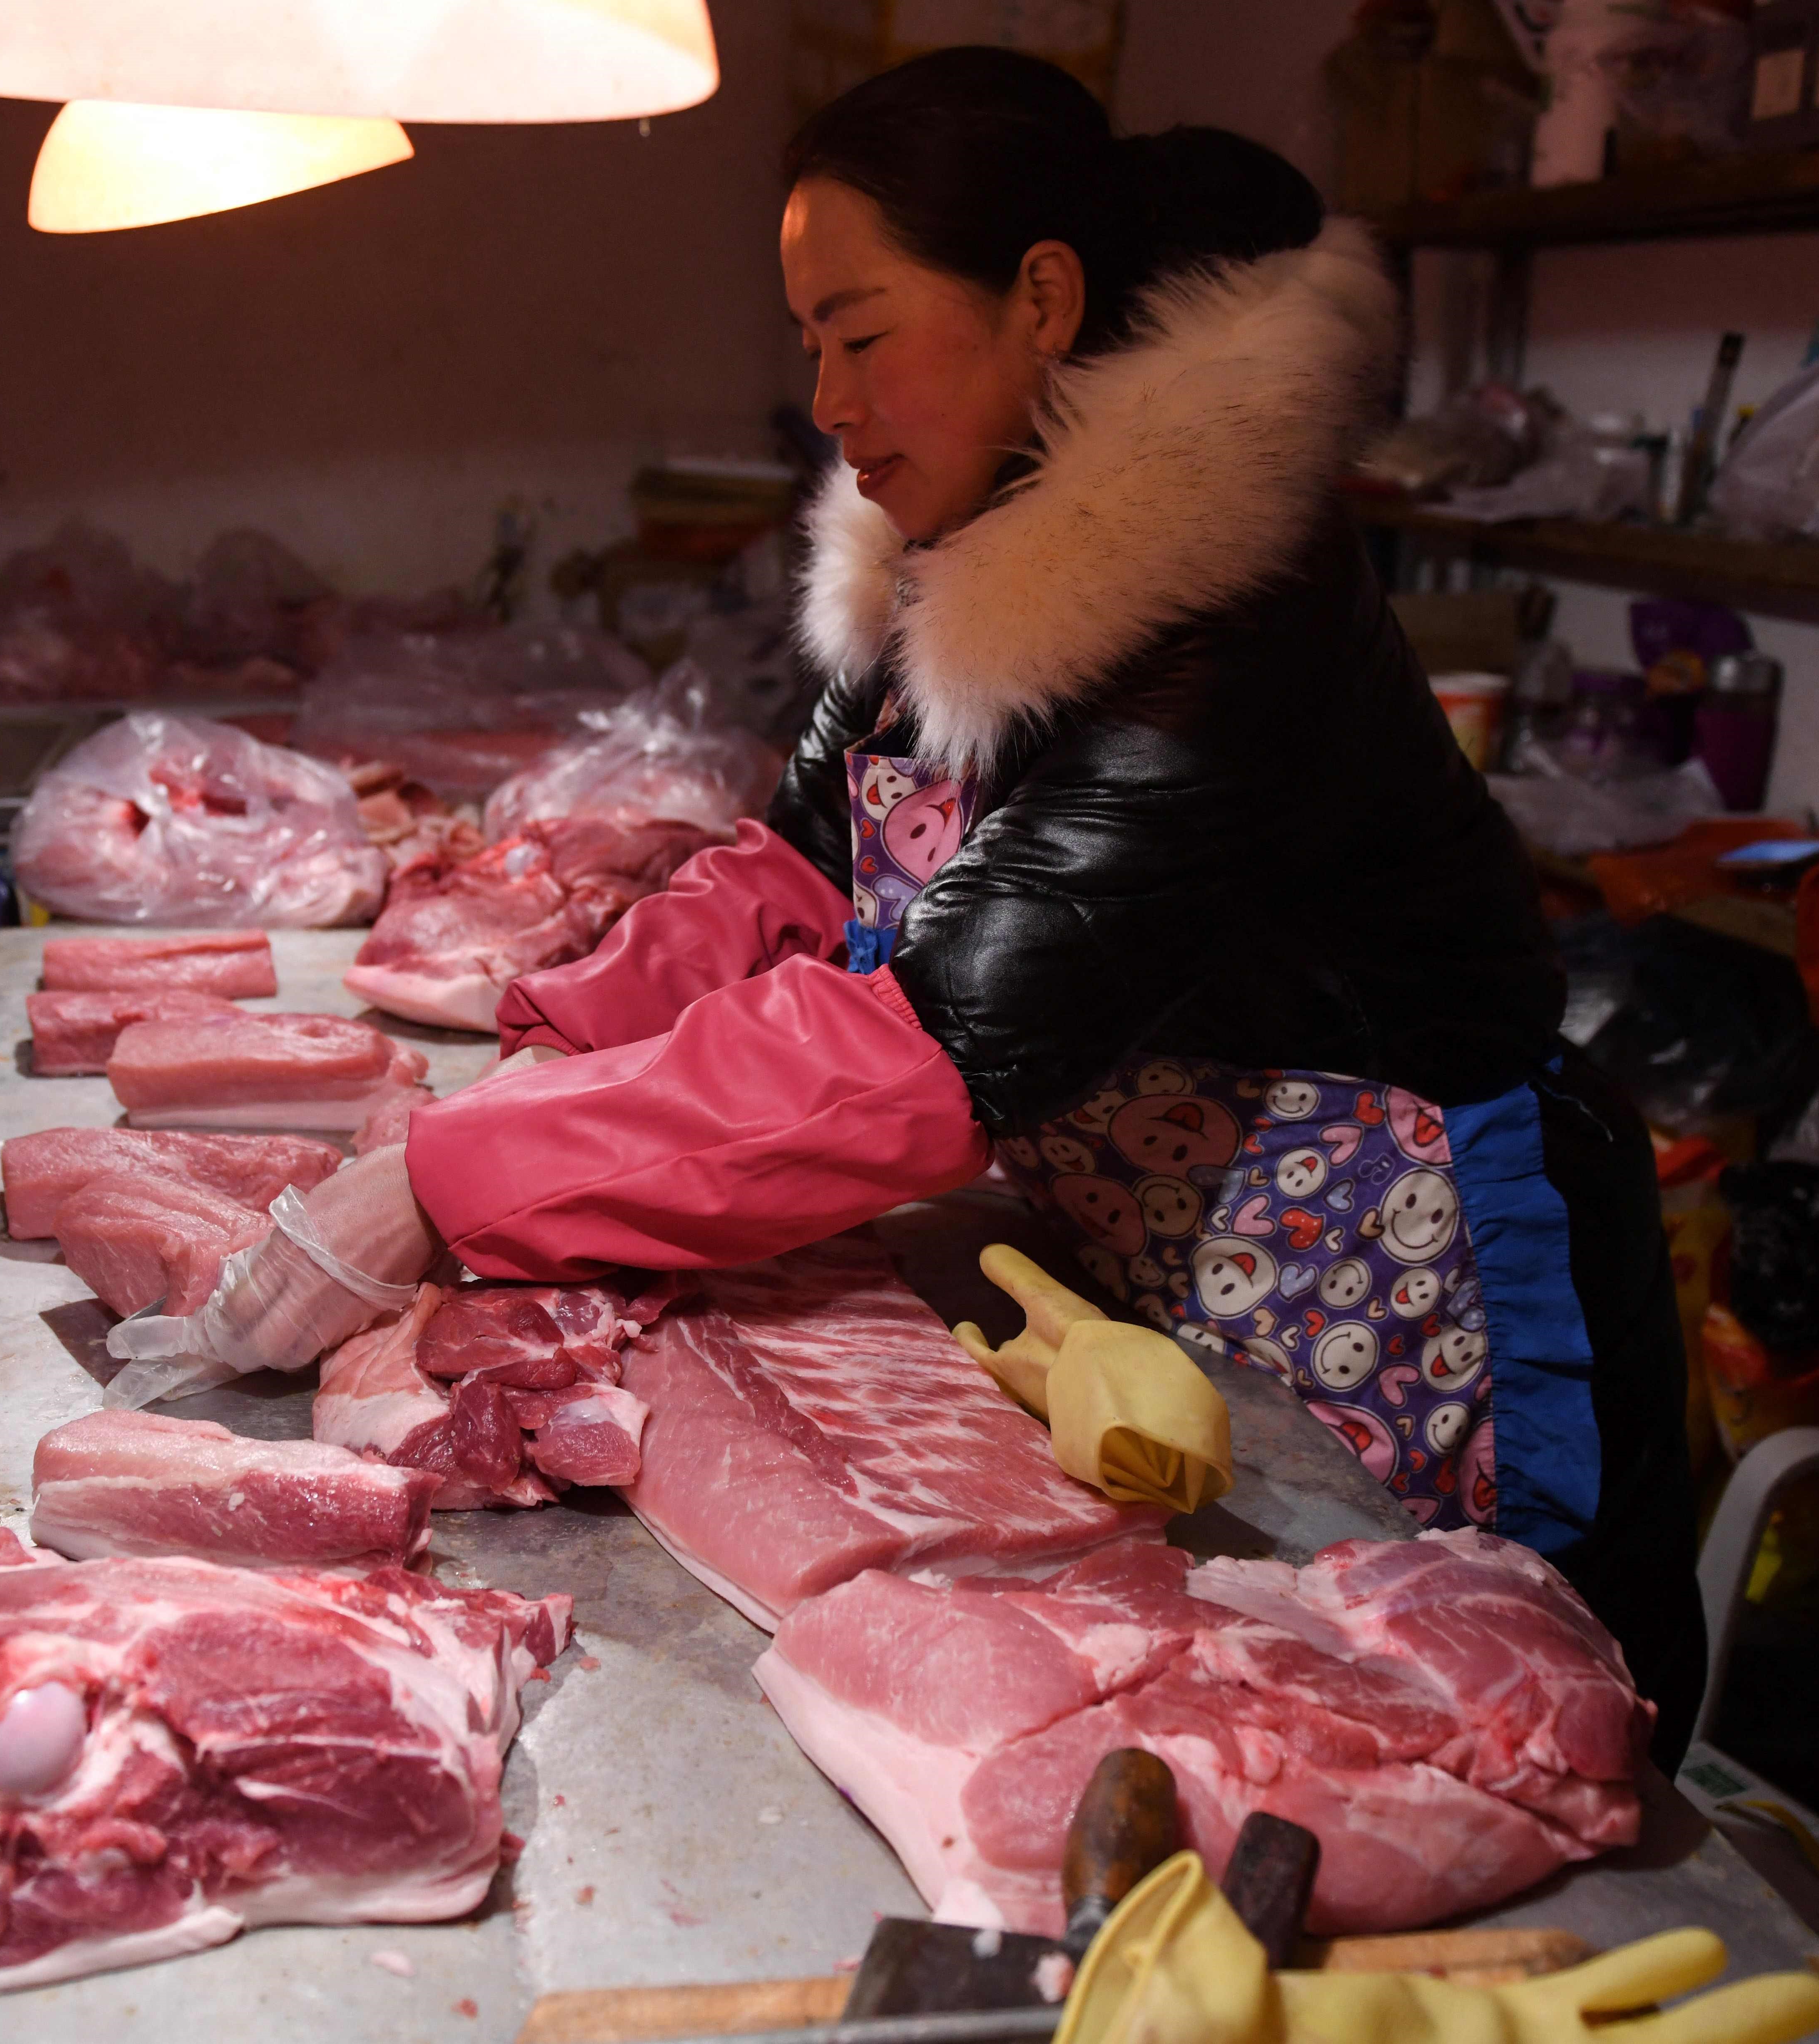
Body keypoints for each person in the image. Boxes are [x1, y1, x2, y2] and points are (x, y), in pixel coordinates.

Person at [193, 51, 1705, 1757]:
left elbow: (937, 1046)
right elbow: (794, 872)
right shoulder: (954, 546)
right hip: (1164, 1265)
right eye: (806, 349)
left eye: (859, 333)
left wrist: (456, 1175)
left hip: (1395, 1289)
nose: (826, 402)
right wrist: (549, 1046)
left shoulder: (1217, 600)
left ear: (1039, 300)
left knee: (1449, 1749)